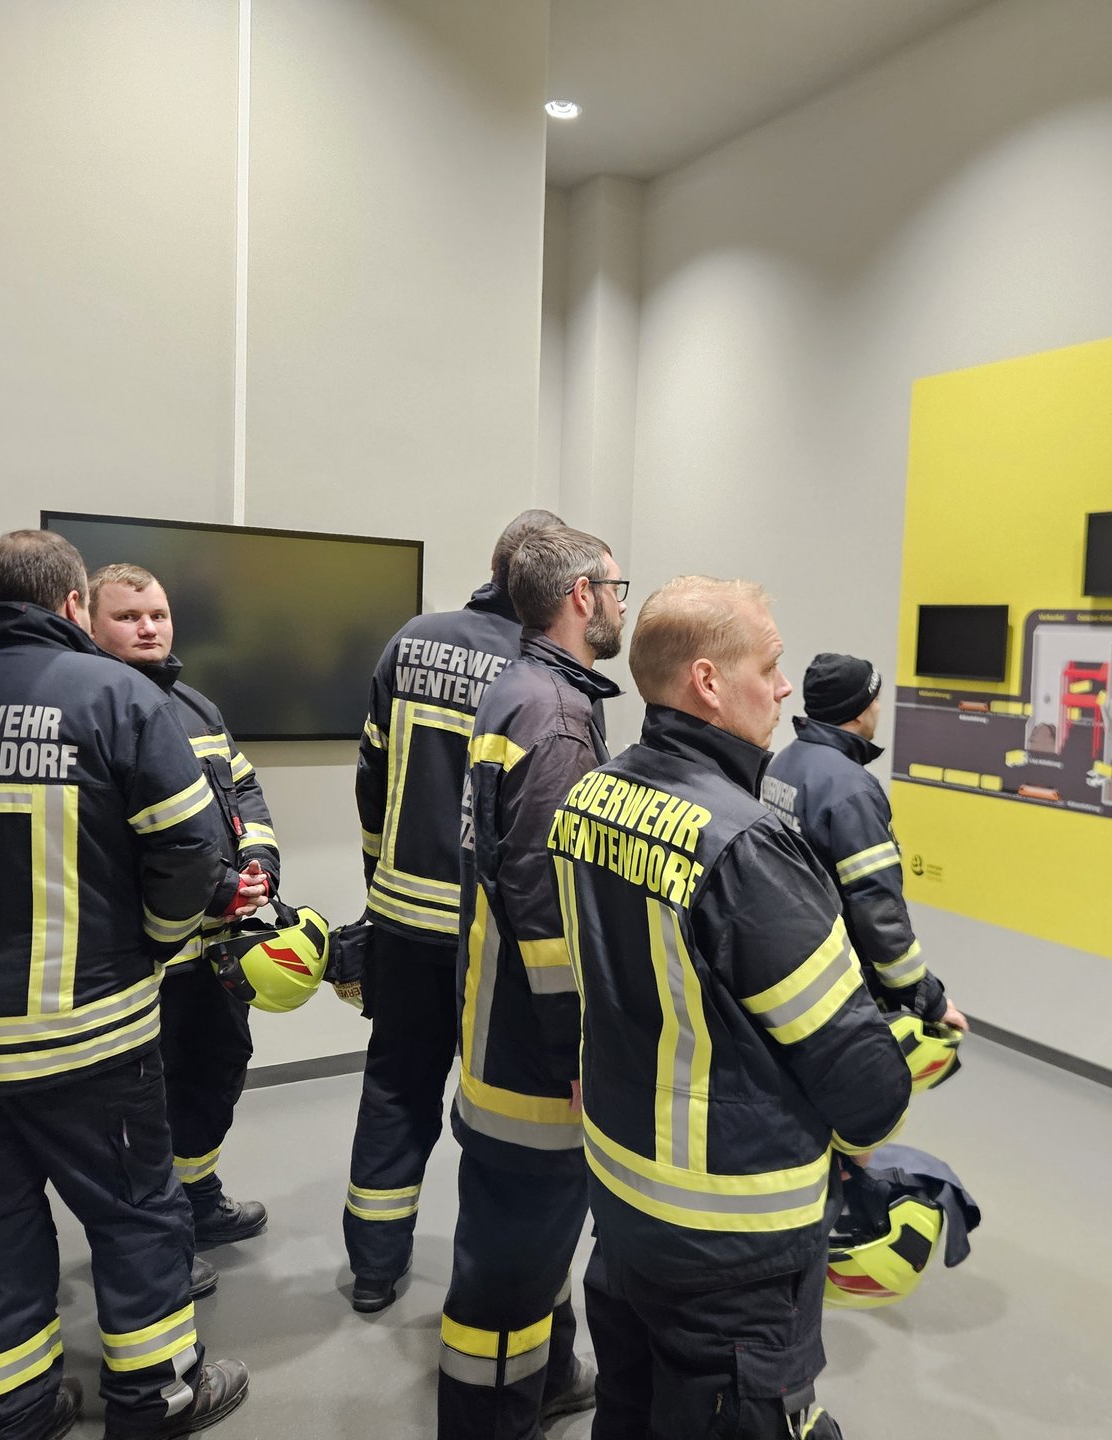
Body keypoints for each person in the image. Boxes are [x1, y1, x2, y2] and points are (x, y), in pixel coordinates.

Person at [0, 531, 257, 1440]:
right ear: (72, 606)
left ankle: (7, 1410)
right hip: (95, 1038)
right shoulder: (119, 699)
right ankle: (156, 1397)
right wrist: (153, 941)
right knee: (136, 1218)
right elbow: (191, 850)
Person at [550, 576, 913, 1439]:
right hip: (731, 1239)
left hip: (623, 1202)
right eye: (770, 666)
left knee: (630, 1412)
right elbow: (864, 1083)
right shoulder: (746, 845)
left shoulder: (590, 797)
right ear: (708, 682)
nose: (784, 689)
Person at [343, 508, 565, 1311]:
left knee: (395, 1085)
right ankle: (498, 1282)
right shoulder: (546, 670)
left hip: (403, 916)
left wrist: (378, 878)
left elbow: (371, 774)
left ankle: (373, 1269)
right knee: (497, 1108)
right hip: (492, 938)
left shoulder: (412, 639)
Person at [439, 526, 625, 1438]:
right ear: (582, 595)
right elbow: (548, 913)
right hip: (531, 1062)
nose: (622, 604)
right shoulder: (556, 719)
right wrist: (575, 1053)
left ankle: (550, 1377)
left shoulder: (520, 690)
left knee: (528, 1247)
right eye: (617, 587)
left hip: (493, 1028)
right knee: (505, 1281)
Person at [90, 563, 278, 1255]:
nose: (148, 628)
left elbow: (244, 795)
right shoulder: (95, 711)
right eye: (127, 617)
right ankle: (156, 1237)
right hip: (145, 957)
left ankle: (199, 1202)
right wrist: (215, 886)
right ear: (88, 623)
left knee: (214, 1077)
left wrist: (259, 868)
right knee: (145, 1103)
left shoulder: (198, 706)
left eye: (158, 615)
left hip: (217, 951)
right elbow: (119, 841)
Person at [762, 653, 967, 1032]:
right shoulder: (851, 790)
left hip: (790, 961)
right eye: (875, 700)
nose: (879, 709)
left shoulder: (784, 763)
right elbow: (877, 909)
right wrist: (930, 1001)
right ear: (857, 712)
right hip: (841, 980)